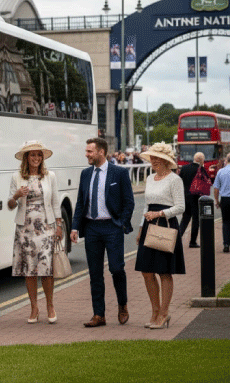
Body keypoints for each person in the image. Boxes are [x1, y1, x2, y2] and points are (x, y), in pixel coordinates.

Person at [71, 137, 135, 328]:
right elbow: (80, 202)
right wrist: (74, 227)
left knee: (116, 268)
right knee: (95, 274)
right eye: (86, 151)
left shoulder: (119, 173)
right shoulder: (85, 174)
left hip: (111, 227)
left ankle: (122, 304)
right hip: (91, 228)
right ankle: (99, 314)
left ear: (101, 152)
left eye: (90, 151)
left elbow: (129, 202)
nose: (86, 155)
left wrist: (120, 224)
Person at [7, 141, 63, 324]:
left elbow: (55, 201)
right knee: (29, 269)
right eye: (33, 155)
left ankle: (50, 305)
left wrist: (59, 226)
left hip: (46, 227)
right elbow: (9, 205)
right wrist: (16, 195)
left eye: (39, 155)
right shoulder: (17, 177)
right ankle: (34, 308)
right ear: (26, 157)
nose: (36, 158)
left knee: (46, 269)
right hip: (25, 228)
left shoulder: (50, 176)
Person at [135, 142, 185, 329]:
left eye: (157, 158)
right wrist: (141, 228)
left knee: (164, 271)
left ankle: (164, 313)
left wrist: (160, 214)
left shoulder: (174, 180)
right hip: (149, 225)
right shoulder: (149, 178)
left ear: (166, 160)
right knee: (146, 271)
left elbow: (181, 207)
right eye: (152, 157)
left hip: (166, 225)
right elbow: (147, 206)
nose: (153, 161)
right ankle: (155, 311)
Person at [178, 152, 205, 248]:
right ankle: (192, 242)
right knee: (196, 220)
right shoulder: (201, 170)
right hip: (196, 198)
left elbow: (179, 181)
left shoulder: (184, 168)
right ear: (202, 160)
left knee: (185, 219)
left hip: (185, 197)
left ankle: (177, 239)